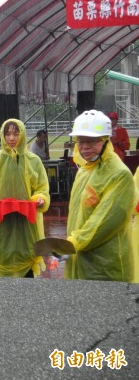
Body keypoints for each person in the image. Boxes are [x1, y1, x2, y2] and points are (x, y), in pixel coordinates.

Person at [64, 110, 137, 282]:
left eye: (92, 141)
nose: (85, 146)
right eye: (80, 141)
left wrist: (73, 243)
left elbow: (103, 222)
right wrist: (72, 245)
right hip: (79, 259)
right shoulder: (85, 171)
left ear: (106, 140)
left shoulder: (119, 175)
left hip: (106, 267)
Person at [0, 119, 50, 278]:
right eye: (7, 134)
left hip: (26, 226)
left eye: (16, 134)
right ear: (2, 135)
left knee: (26, 260)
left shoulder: (33, 161)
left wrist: (40, 198)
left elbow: (42, 188)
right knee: (1, 261)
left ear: (22, 135)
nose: (11, 138)